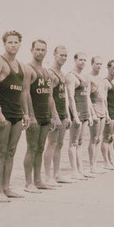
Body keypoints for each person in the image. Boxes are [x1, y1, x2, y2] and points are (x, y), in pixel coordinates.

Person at [0, 30, 30, 203]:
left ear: (20, 44)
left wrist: (26, 112)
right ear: (4, 44)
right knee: (1, 151)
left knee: (11, 151)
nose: (13, 45)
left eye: (16, 42)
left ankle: (7, 187)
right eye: (10, 42)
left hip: (16, 113)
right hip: (3, 113)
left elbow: (22, 92)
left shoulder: (21, 66)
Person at [23, 39, 60, 193]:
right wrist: (30, 115)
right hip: (34, 115)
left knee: (40, 148)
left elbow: (50, 96)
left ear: (46, 52)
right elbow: (25, 93)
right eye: (37, 49)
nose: (40, 52)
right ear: (32, 50)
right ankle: (28, 182)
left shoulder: (46, 72)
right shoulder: (28, 69)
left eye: (43, 50)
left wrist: (53, 116)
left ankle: (38, 180)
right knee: (31, 148)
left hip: (45, 115)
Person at [43, 46, 73, 185]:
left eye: (66, 56)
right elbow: (49, 97)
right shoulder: (50, 73)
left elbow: (63, 96)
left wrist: (66, 114)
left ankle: (57, 174)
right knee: (52, 143)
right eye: (61, 55)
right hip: (53, 114)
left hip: (62, 112)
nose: (63, 58)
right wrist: (54, 116)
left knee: (59, 144)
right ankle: (48, 176)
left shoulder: (62, 74)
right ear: (54, 55)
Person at [66, 52, 94, 180]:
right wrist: (75, 116)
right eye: (80, 60)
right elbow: (70, 97)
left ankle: (81, 169)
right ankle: (73, 171)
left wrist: (90, 114)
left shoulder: (86, 77)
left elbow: (87, 96)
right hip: (76, 112)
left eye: (84, 60)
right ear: (75, 60)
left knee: (81, 142)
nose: (83, 62)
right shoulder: (71, 76)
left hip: (84, 112)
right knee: (73, 142)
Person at [87, 56, 110, 174]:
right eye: (97, 64)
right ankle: (92, 165)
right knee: (94, 138)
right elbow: (87, 97)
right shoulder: (89, 78)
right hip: (95, 110)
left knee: (99, 138)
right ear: (92, 64)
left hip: (102, 110)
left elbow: (104, 98)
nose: (99, 66)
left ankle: (95, 164)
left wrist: (107, 112)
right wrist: (92, 114)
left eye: (101, 64)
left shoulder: (102, 80)